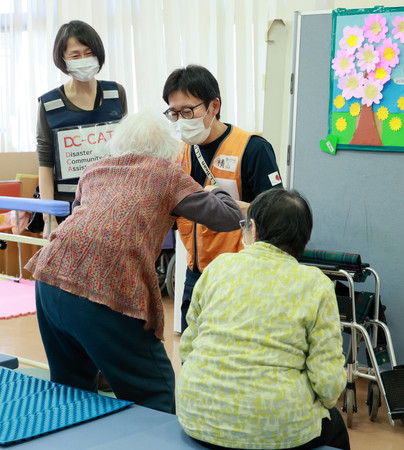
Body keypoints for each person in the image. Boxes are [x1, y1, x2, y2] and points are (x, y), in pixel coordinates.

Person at [25, 112, 243, 414]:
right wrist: (211, 189)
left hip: (50, 275)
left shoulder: (94, 169)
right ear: (169, 150)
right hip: (107, 283)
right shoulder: (167, 174)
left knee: (70, 388)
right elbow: (230, 217)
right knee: (154, 392)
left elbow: (80, 216)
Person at [177, 188, 350, 450]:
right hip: (277, 425)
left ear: (253, 229)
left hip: (197, 414)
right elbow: (327, 382)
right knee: (335, 426)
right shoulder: (316, 284)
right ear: (304, 238)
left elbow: (188, 348)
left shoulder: (217, 268)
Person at [162, 65, 283, 331]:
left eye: (188, 111)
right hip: (196, 272)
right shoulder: (179, 153)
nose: (181, 120)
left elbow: (277, 213)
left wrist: (223, 206)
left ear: (214, 106)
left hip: (240, 274)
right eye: (174, 113)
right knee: (191, 354)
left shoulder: (252, 148)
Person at [36, 20, 127, 237]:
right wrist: (49, 219)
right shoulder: (49, 104)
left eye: (89, 53)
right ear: (63, 60)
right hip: (68, 209)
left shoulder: (116, 93)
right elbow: (45, 164)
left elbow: (126, 152)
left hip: (112, 204)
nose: (84, 60)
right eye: (75, 55)